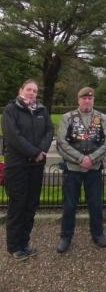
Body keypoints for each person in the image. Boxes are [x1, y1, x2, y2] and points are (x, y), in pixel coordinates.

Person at [2, 79, 53, 261]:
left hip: (36, 166)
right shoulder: (11, 110)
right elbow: (14, 137)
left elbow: (49, 131)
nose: (32, 93)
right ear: (21, 90)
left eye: (35, 90)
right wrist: (34, 152)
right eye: (29, 89)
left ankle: (25, 243)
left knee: (31, 205)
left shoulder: (42, 110)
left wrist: (42, 150)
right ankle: (14, 247)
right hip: (17, 166)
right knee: (18, 206)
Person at [56, 87, 106, 253]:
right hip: (72, 169)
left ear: (93, 100)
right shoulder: (68, 117)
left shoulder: (102, 118)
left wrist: (92, 159)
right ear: (78, 100)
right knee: (69, 205)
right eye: (84, 98)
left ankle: (98, 234)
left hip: (94, 169)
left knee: (95, 204)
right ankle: (65, 236)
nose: (87, 101)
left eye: (90, 98)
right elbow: (62, 143)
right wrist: (81, 159)